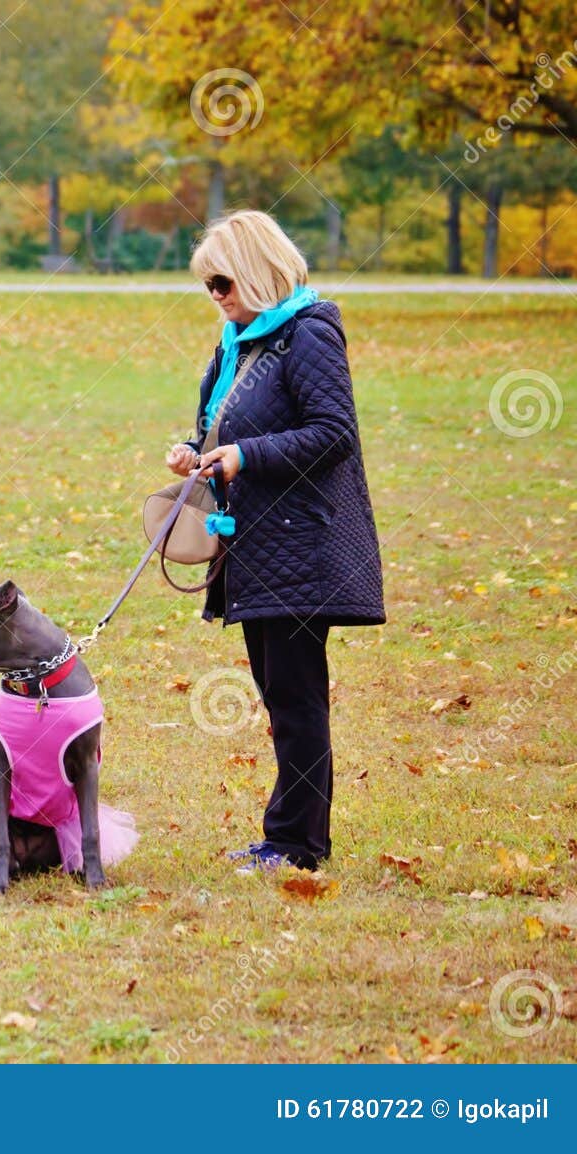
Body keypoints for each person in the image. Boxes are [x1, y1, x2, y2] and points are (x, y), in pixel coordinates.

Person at [165, 210, 384, 874]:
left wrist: (244, 457)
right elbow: (222, 421)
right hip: (253, 545)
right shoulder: (241, 340)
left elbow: (332, 433)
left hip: (298, 546)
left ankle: (297, 845)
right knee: (280, 696)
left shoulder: (307, 334)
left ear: (258, 270)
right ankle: (286, 836)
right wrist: (195, 450)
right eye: (208, 286)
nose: (217, 297)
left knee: (295, 700)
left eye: (224, 282)